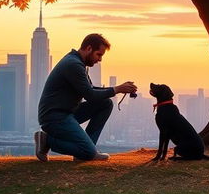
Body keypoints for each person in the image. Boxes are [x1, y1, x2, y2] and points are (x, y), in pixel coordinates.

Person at [34, 33, 137, 161]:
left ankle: (87, 150)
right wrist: (117, 89)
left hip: (67, 112)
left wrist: (118, 89)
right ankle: (47, 141)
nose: (100, 59)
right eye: (98, 54)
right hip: (54, 117)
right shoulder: (73, 64)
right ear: (89, 49)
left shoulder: (78, 63)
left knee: (106, 104)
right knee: (88, 152)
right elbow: (91, 95)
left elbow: (91, 89)